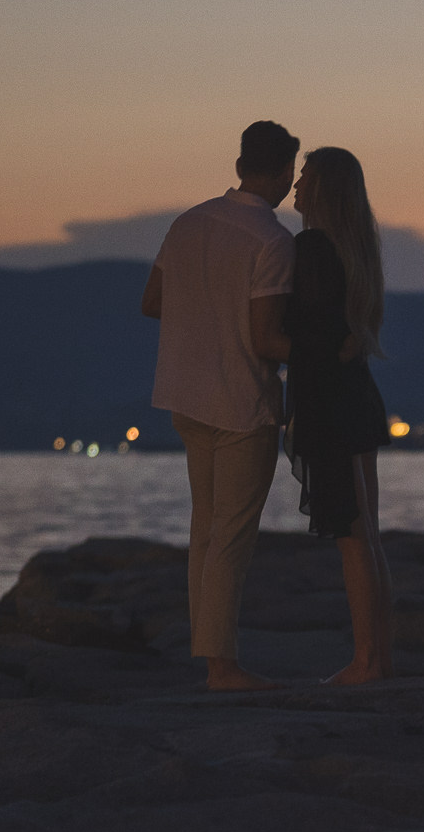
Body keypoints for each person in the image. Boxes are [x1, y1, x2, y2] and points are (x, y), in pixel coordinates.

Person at [142, 120, 300, 691]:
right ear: (283, 173)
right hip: (240, 400)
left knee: (206, 530)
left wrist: (205, 311)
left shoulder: (188, 223)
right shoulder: (272, 240)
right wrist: (331, 350)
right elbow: (266, 340)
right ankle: (222, 667)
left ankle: (212, 658)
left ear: (239, 166)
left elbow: (153, 301)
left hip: (186, 395)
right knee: (230, 534)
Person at [273, 146, 394, 683]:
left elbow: (315, 335)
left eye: (306, 176)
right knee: (368, 535)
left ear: (324, 188)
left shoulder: (314, 249)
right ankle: (378, 657)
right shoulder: (357, 251)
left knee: (353, 536)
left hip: (331, 403)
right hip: (357, 396)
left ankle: (366, 661)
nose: (297, 186)